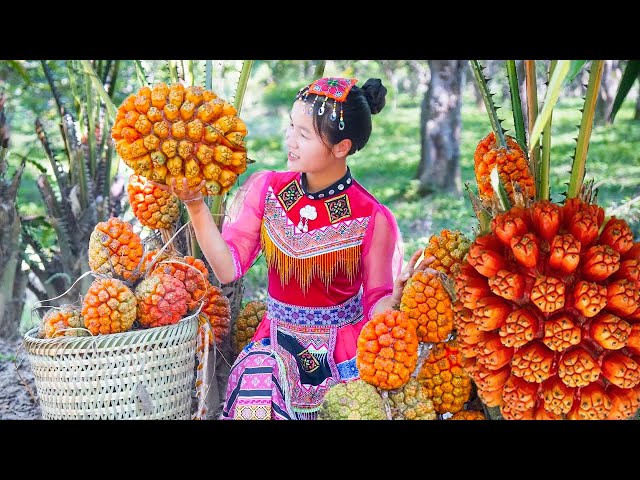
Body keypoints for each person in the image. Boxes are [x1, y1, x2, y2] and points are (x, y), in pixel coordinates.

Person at [156, 76, 433, 420]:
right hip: (273, 344)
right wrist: (196, 206)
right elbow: (228, 270)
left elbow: (377, 307)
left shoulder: (371, 217)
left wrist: (398, 296)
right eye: (291, 127)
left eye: (304, 134)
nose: (290, 140)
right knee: (254, 399)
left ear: (341, 147)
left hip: (340, 353)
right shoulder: (268, 190)